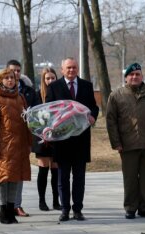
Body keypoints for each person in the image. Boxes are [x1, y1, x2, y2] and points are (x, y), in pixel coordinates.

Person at [106, 62, 145, 220]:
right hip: (127, 144)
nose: (134, 77)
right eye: (131, 75)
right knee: (130, 178)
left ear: (142, 76)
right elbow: (111, 121)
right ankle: (130, 208)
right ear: (126, 78)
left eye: (137, 74)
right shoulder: (116, 95)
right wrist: (116, 143)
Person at [45, 57, 99, 221]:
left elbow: (94, 107)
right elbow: (49, 110)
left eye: (74, 67)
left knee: (79, 178)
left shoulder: (86, 86)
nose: (71, 70)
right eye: (68, 68)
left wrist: (93, 116)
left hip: (81, 140)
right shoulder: (54, 87)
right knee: (63, 178)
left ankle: (77, 210)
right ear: (62, 70)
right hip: (62, 141)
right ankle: (65, 210)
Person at [0, 68, 32, 224]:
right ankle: (3, 210)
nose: (10, 80)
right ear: (0, 81)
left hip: (18, 145)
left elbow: (27, 122)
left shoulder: (20, 98)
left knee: (15, 178)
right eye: (6, 78)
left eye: (12, 78)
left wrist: (28, 143)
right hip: (3, 146)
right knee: (2, 179)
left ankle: (11, 210)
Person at [6, 59, 37, 217]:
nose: (16, 74)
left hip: (22, 139)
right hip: (5, 140)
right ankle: (6, 206)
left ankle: (17, 205)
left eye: (18, 70)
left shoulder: (28, 91)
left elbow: (36, 113)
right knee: (5, 174)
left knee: (19, 174)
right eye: (13, 71)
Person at [32, 67, 61, 211]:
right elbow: (32, 118)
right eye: (47, 78)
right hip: (42, 139)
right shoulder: (37, 96)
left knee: (56, 171)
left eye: (52, 78)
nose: (50, 81)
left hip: (57, 138)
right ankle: (42, 201)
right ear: (43, 80)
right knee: (43, 170)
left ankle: (56, 201)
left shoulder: (60, 95)